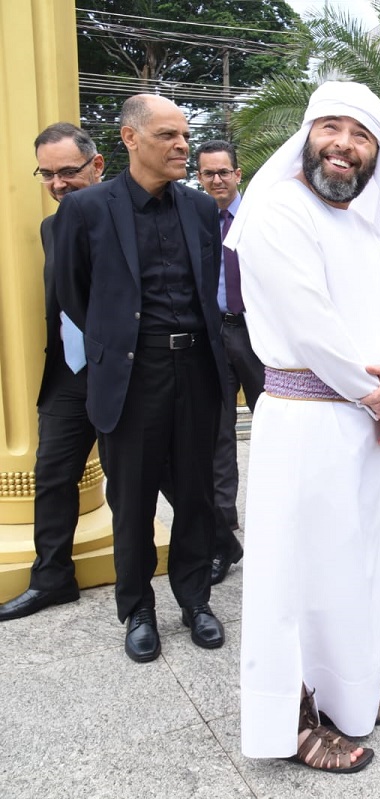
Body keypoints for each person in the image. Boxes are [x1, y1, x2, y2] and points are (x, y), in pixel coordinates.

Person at [228, 81, 380, 772]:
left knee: (351, 569)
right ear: (307, 135)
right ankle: (294, 720)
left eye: (362, 133)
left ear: (375, 152)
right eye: (331, 127)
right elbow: (313, 329)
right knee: (296, 576)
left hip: (361, 428)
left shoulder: (359, 225)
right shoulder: (279, 209)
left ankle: (347, 694)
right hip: (306, 423)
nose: (344, 143)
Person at [55, 95, 229, 663]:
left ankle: (195, 599)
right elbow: (73, 292)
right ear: (130, 139)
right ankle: (138, 609)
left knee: (199, 497)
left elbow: (208, 295)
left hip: (196, 370)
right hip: (132, 375)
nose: (182, 145)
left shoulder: (201, 211)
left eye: (184, 134)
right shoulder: (87, 211)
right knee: (131, 502)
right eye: (166, 135)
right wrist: (120, 345)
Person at [0, 124, 105, 622]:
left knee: (160, 472)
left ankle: (215, 547)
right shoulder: (51, 227)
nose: (59, 183)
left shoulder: (127, 217)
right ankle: (52, 578)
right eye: (48, 174)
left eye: (68, 171)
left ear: (97, 165)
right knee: (52, 473)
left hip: (125, 372)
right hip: (68, 372)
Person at [195, 140, 262, 585]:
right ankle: (224, 539)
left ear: (238, 175)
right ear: (198, 177)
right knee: (217, 435)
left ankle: (284, 528)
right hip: (212, 334)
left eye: (224, 172)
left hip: (258, 334)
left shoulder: (260, 219)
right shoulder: (194, 221)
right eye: (207, 173)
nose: (216, 180)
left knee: (280, 423)